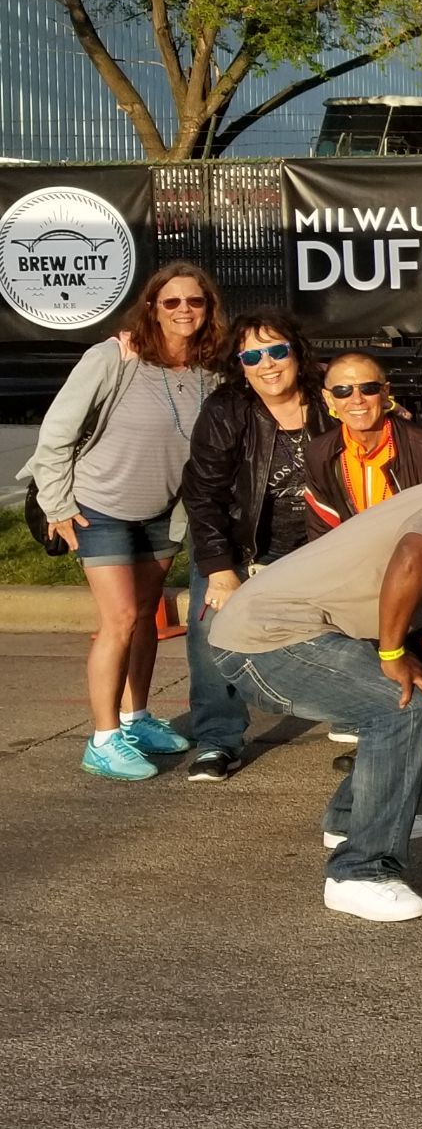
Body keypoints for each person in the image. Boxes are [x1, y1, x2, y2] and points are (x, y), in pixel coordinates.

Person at [203, 453, 422, 921]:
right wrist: (391, 655)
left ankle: (352, 819)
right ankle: (360, 872)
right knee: (398, 701)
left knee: (413, 691)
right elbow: (414, 555)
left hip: (279, 636)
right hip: (266, 639)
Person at [24, 264, 223, 781]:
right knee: (119, 620)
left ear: (209, 309)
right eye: (172, 302)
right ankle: (103, 738)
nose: (184, 311)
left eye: (195, 302)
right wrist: (58, 504)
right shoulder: (116, 356)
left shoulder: (211, 370)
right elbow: (57, 432)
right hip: (98, 507)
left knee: (144, 620)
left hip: (161, 512)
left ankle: (136, 719)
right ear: (152, 307)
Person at [178, 309, 329, 782]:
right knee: (210, 629)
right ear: (239, 364)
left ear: (296, 352)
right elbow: (202, 495)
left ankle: (363, 722)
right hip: (244, 545)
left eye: (277, 350)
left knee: (358, 619)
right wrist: (221, 569)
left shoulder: (330, 400)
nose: (268, 363)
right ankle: (218, 740)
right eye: (253, 355)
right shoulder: (227, 409)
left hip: (321, 547)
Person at [303, 352, 422, 528]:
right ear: (329, 399)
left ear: (385, 392)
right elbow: (321, 530)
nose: (357, 400)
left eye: (368, 388)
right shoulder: (319, 453)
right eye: (342, 391)